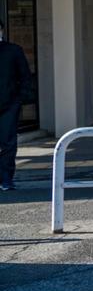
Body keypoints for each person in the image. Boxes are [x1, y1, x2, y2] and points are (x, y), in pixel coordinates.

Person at [0, 18, 33, 191]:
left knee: (8, 143)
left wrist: (19, 100)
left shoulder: (13, 51)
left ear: (1, 30)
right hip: (10, 103)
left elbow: (26, 77)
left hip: (9, 105)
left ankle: (6, 178)